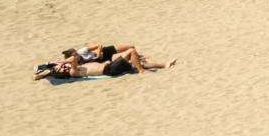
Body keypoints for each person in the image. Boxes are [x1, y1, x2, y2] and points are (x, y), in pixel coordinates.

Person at [35, 48, 174, 80]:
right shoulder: (72, 71)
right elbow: (71, 60)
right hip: (109, 70)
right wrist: (62, 64)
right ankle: (141, 72)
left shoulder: (73, 68)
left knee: (136, 63)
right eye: (62, 69)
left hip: (109, 66)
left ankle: (164, 65)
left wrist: (55, 67)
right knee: (131, 52)